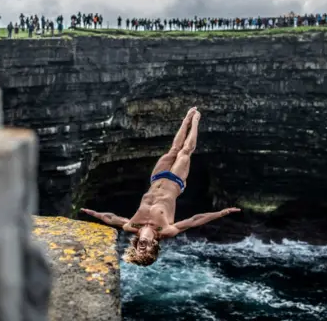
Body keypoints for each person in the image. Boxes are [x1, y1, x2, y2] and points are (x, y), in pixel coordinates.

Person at [81, 107, 241, 266]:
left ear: (136, 246)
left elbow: (111, 218)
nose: (142, 248)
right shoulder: (165, 230)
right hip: (176, 182)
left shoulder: (132, 226)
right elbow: (194, 220)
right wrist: (221, 213)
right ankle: (196, 120)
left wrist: (93, 213)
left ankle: (186, 119)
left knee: (174, 150)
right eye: (147, 250)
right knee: (185, 151)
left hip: (156, 178)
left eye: (139, 250)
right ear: (154, 246)